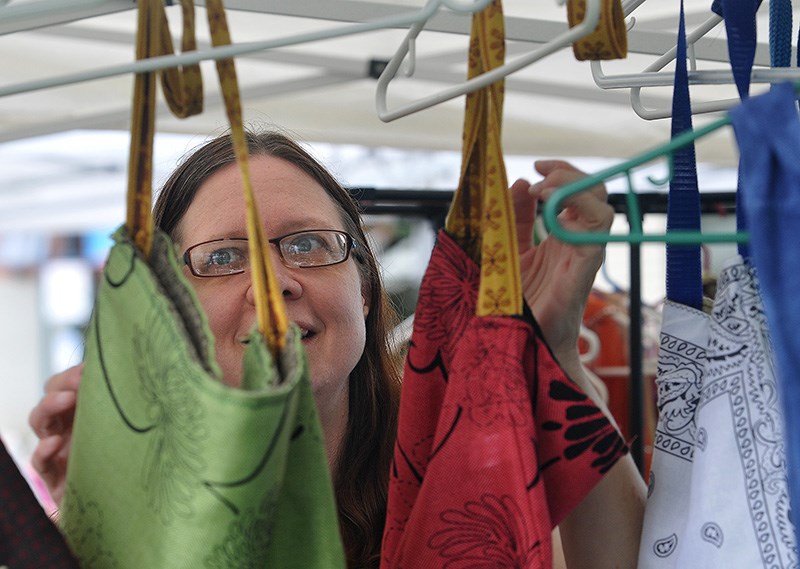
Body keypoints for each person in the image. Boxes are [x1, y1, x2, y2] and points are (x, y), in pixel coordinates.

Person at [28, 129, 646, 569]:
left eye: (306, 245)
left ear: (367, 290)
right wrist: (97, 528)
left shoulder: (463, 466)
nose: (275, 286)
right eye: (222, 257)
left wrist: (554, 348)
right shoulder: (123, 511)